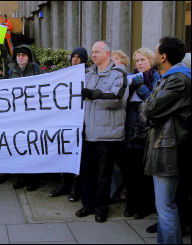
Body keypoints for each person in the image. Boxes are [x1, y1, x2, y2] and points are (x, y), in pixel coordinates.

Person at [141, 36, 190, 244]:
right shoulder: (168, 78)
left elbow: (149, 108)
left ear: (163, 56)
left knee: (166, 208)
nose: (152, 55)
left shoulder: (178, 79)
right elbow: (150, 110)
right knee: (166, 208)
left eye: (155, 51)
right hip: (165, 148)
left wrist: (148, 107)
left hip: (168, 150)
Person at [76, 41, 128, 223]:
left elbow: (116, 99)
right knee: (87, 172)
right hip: (89, 132)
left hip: (107, 134)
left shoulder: (118, 74)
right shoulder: (88, 73)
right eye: (92, 52)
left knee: (103, 175)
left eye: (97, 52)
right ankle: (87, 204)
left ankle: (101, 208)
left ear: (107, 53)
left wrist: (93, 94)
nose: (93, 55)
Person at [119, 48, 159, 220]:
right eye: (137, 61)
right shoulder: (130, 78)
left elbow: (153, 103)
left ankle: (144, 206)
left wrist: (140, 86)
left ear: (150, 60)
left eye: (143, 60)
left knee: (143, 173)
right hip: (129, 130)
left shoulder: (156, 78)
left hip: (145, 132)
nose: (140, 64)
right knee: (129, 171)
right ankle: (131, 204)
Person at [48, 47, 89, 202]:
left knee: (78, 155)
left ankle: (76, 187)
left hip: (82, 121)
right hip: (66, 121)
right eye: (73, 56)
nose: (75, 59)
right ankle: (64, 183)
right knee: (65, 152)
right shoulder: (65, 74)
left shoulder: (89, 74)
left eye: (79, 57)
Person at [7, 45, 44, 191]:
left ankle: (34, 179)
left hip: (33, 116)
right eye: (18, 55)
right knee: (19, 147)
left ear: (28, 57)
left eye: (23, 55)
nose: (20, 57)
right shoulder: (11, 71)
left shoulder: (36, 70)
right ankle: (21, 177)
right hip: (17, 117)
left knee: (33, 147)